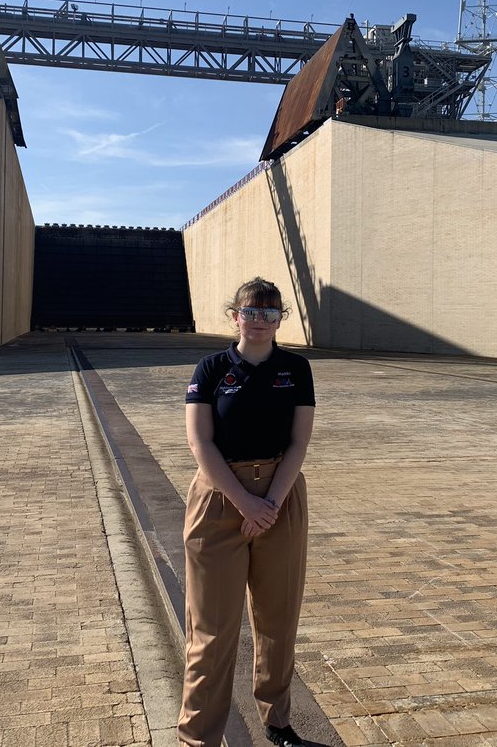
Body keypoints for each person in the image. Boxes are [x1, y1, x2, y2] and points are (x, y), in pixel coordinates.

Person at [178, 277, 316, 747]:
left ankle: (278, 723)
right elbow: (201, 442)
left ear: (280, 319)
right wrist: (246, 503)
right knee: (212, 630)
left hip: (280, 495)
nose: (259, 321)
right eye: (251, 312)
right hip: (221, 497)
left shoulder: (295, 369)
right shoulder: (213, 367)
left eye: (270, 313)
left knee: (278, 620)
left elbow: (299, 442)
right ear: (234, 316)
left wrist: (271, 503)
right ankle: (198, 737)